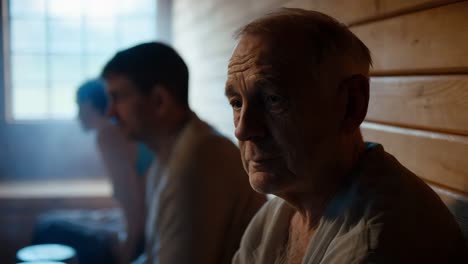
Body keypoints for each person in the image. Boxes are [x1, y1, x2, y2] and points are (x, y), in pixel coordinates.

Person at [225, 8, 467, 263]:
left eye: (273, 99)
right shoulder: (282, 211)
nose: (243, 129)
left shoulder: (379, 241)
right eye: (237, 103)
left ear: (351, 104)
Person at [101, 42, 266, 264]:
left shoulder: (200, 159)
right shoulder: (167, 154)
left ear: (160, 101)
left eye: (118, 97)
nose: (110, 112)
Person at [33, 79, 152, 264]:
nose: (77, 115)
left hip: (141, 239)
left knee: (48, 227)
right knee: (56, 220)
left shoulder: (109, 135)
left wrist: (126, 255)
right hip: (142, 228)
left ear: (89, 105)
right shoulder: (117, 132)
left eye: (78, 107)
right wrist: (100, 219)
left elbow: (135, 204)